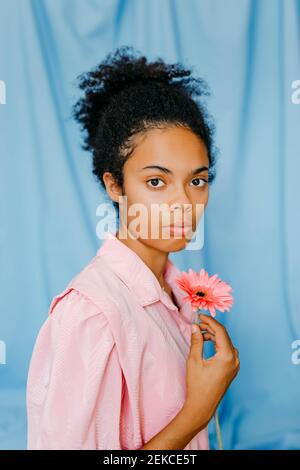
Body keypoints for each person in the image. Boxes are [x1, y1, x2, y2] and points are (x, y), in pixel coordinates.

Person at [26, 46, 240, 450]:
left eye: (197, 180)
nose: (183, 203)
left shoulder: (176, 293)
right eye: (157, 182)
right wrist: (199, 410)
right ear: (115, 186)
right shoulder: (93, 316)